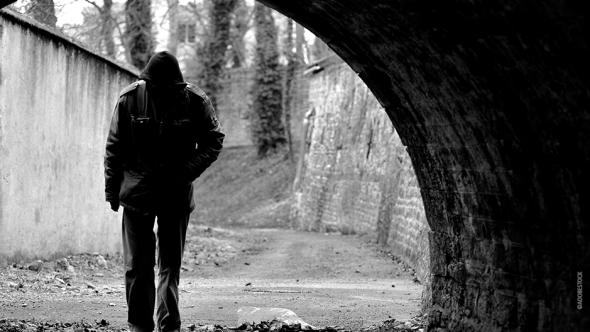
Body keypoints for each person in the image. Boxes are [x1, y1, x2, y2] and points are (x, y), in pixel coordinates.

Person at [104, 51, 224, 332]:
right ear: (147, 82)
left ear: (178, 85)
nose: (160, 92)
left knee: (169, 265)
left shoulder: (195, 101)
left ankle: (169, 326)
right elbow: (114, 148)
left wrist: (186, 172)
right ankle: (140, 326)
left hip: (175, 196)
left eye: (167, 88)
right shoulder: (130, 100)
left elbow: (214, 139)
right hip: (137, 196)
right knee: (138, 267)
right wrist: (112, 192)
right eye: (156, 87)